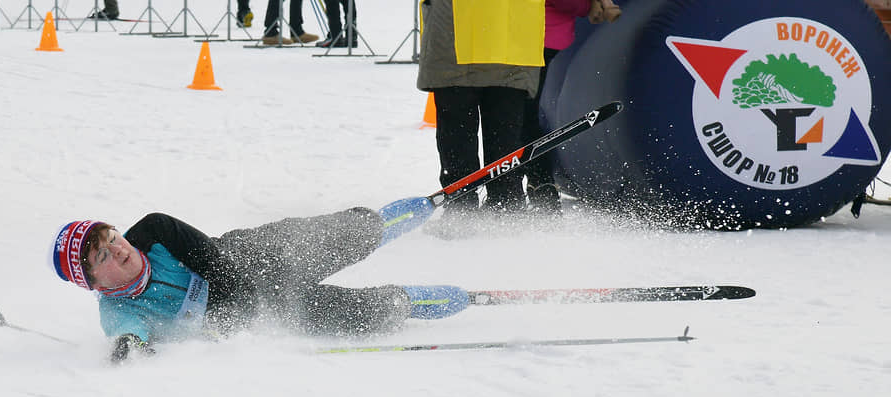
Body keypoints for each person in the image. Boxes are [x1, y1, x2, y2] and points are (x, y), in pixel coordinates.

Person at [50, 197, 469, 362]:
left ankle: (400, 216)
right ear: (94, 283)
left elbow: (218, 265)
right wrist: (130, 345)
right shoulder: (116, 307)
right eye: (103, 254)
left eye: (112, 237)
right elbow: (127, 330)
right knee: (355, 311)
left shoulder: (155, 235)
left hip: (248, 259)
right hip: (262, 310)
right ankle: (421, 301)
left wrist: (230, 312)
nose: (119, 248)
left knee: (337, 236)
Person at [416, 0, 544, 229]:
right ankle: (507, 208)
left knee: (457, 133)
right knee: (505, 135)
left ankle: (461, 208)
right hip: (513, 33)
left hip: (454, 29)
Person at [522, 0, 622, 215]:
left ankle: (536, 186)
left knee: (520, 113)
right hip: (535, 34)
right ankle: (536, 186)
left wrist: (587, 6)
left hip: (536, 34)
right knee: (520, 112)